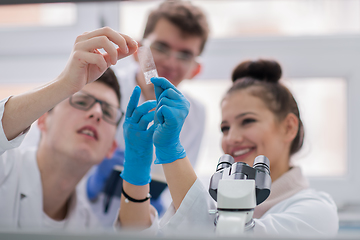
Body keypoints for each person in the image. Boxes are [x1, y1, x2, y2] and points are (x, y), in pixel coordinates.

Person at [118, 59, 339, 236]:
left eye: (248, 121)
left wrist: (170, 149)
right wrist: (136, 174)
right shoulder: (212, 200)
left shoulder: (316, 211)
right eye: (225, 128)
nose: (231, 138)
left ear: (289, 127)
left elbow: (220, 233)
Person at [0, 27, 138, 229]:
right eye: (81, 102)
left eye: (108, 113)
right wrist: (64, 85)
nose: (97, 113)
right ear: (42, 119)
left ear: (112, 147)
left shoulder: (90, 229)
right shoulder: (5, 169)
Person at [86, 0, 210, 221]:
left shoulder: (196, 114)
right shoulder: (103, 90)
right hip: (85, 219)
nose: (171, 62)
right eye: (161, 47)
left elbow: (180, 192)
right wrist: (90, 182)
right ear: (138, 50)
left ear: (196, 69)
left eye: (184, 55)